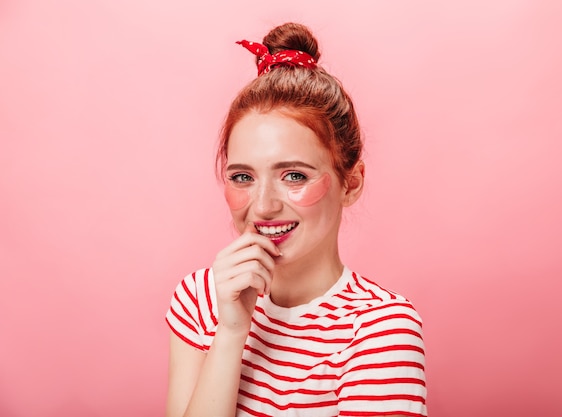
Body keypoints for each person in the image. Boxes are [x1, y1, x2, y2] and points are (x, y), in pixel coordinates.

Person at [165, 22, 427, 417]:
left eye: (294, 176)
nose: (264, 206)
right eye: (243, 177)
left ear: (350, 183)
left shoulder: (379, 330)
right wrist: (231, 331)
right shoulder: (201, 299)